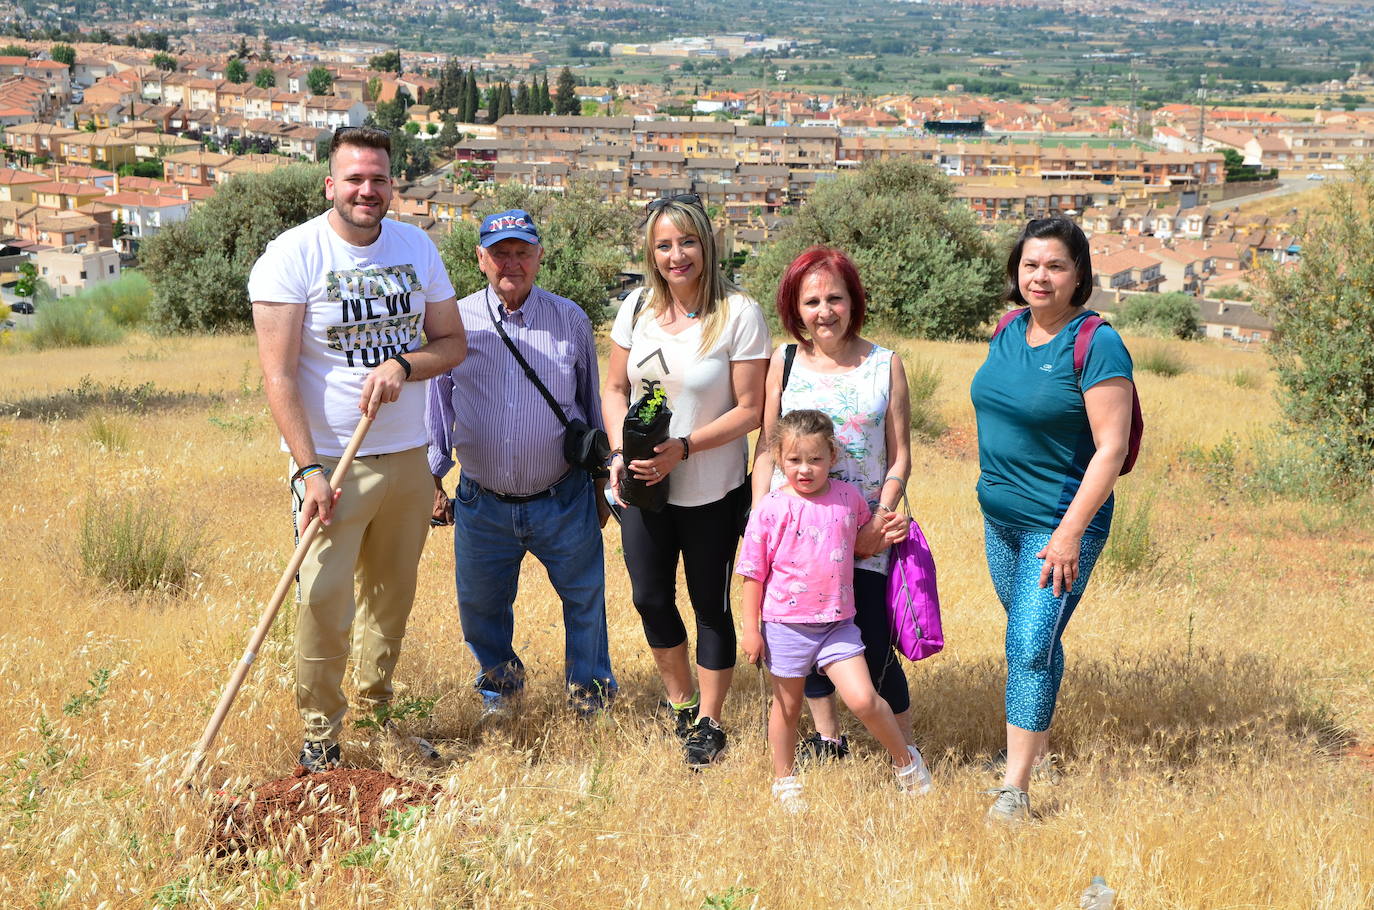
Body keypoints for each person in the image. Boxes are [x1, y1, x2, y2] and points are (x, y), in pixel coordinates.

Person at [249, 125, 467, 772]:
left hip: (408, 458)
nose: (367, 190)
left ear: (391, 185)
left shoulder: (417, 247)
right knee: (320, 598)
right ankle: (321, 734)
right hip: (332, 467)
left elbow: (452, 343)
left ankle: (379, 716)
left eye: (378, 178)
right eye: (354, 178)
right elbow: (279, 376)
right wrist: (309, 469)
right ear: (331, 185)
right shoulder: (292, 256)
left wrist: (404, 363)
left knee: (391, 599)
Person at [970, 216, 1135, 823]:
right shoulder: (1008, 329)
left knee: (1028, 642)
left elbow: (1111, 449)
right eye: (1031, 264)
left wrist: (1067, 534)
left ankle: (1013, 789)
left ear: (1079, 274)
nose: (1041, 276)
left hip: (1060, 526)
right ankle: (1035, 754)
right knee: (1037, 641)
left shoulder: (1097, 342)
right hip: (1002, 520)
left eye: (1056, 266)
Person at [426, 209, 616, 717]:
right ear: (480, 258)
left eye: (522, 251)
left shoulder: (570, 319)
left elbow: (590, 406)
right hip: (482, 503)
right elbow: (438, 408)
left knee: (584, 603)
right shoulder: (456, 322)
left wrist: (600, 483)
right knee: (482, 611)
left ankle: (589, 695)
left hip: (562, 496)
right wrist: (432, 479)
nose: (512, 263)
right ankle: (500, 692)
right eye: (500, 252)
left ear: (539, 256)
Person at [603, 193, 768, 768]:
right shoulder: (636, 310)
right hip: (643, 489)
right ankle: (681, 703)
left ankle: (711, 721)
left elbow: (751, 410)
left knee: (710, 604)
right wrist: (622, 452)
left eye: (687, 242)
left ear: (707, 245)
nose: (677, 256)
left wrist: (686, 448)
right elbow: (615, 388)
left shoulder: (739, 315)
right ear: (651, 253)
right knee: (650, 598)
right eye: (664, 245)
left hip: (711, 491)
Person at [751, 246, 914, 763]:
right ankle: (829, 739)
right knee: (803, 636)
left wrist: (878, 523)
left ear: (854, 301)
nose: (824, 311)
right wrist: (761, 519)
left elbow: (900, 456)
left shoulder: (886, 365)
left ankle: (904, 752)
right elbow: (765, 447)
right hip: (792, 534)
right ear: (795, 308)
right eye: (812, 300)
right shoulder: (786, 360)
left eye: (835, 298)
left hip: (864, 534)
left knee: (870, 643)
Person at [738, 410, 932, 811]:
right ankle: (785, 780)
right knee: (787, 708)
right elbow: (753, 575)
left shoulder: (849, 498)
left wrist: (890, 532)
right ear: (778, 457)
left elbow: (865, 539)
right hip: (785, 627)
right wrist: (751, 630)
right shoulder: (770, 509)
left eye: (815, 459)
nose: (804, 470)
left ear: (832, 456)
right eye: (794, 460)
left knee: (863, 700)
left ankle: (907, 764)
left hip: (839, 625)